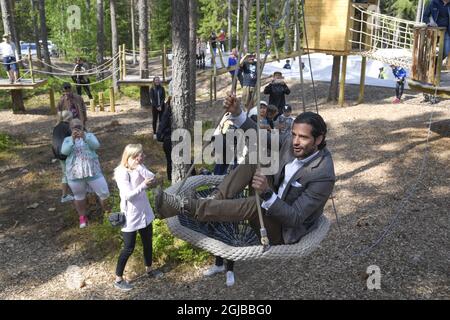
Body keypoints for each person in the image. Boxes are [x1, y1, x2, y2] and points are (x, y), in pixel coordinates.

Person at [155, 94, 336, 247]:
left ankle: (187, 206)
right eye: (294, 134)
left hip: (283, 231)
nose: (295, 141)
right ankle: (214, 201)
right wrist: (238, 114)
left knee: (254, 204)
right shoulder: (292, 141)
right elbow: (261, 136)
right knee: (257, 157)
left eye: (303, 137)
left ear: (319, 139)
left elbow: (294, 218)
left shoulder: (323, 174)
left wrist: (266, 193)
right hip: (275, 202)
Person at [113, 144, 163, 291]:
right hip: (130, 216)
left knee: (148, 242)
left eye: (141, 155)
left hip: (145, 213)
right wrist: (143, 186)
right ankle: (118, 279)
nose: (142, 157)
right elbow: (128, 195)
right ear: (129, 157)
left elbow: (152, 177)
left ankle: (149, 269)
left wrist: (139, 167)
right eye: (138, 156)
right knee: (128, 248)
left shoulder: (138, 167)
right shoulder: (122, 173)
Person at [61, 119, 110, 228]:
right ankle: (82, 217)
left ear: (83, 126)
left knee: (104, 193)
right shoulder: (67, 140)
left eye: (79, 126)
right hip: (75, 174)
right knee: (79, 196)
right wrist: (73, 141)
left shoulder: (89, 136)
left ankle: (108, 215)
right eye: (74, 127)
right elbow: (64, 152)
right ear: (70, 128)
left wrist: (85, 137)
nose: (76, 128)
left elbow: (96, 145)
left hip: (93, 171)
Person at [52, 110, 75, 203]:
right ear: (69, 118)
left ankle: (67, 194)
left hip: (58, 153)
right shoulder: (67, 127)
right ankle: (65, 195)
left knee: (65, 173)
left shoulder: (56, 126)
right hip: (65, 154)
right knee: (69, 174)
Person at [156, 102, 173, 181]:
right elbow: (160, 132)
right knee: (170, 160)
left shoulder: (166, 113)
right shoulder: (167, 114)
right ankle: (170, 178)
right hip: (169, 141)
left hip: (169, 141)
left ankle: (170, 178)